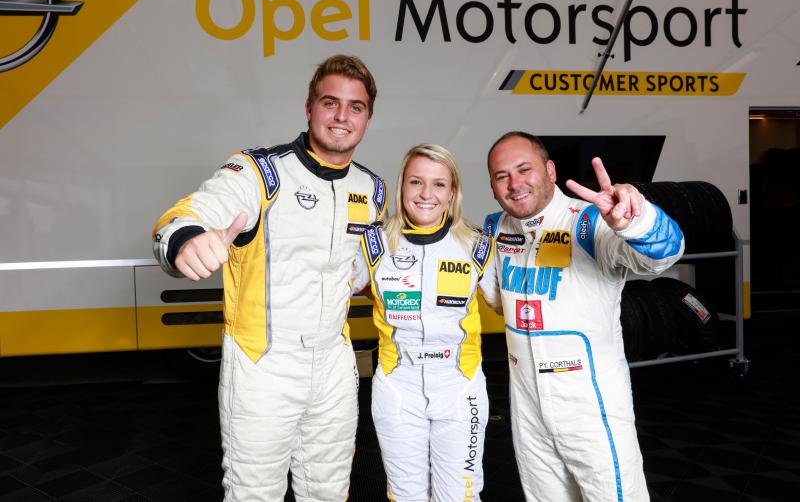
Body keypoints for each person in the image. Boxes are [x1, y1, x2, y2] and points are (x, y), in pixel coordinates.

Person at [152, 55, 387, 501]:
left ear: (367, 119)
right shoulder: (259, 172)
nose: (342, 116)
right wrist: (186, 240)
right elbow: (189, 214)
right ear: (309, 108)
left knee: (329, 491)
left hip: (335, 365)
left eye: (355, 107)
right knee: (254, 494)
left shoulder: (372, 190)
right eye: (330, 103)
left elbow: (361, 269)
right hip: (263, 366)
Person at [483, 131, 684, 502]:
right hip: (527, 408)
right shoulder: (495, 229)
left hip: (590, 408)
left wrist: (635, 222)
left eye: (524, 169)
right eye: (501, 176)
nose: (514, 183)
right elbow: (498, 301)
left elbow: (664, 255)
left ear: (550, 170)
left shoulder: (591, 220)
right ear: (493, 187)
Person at [352, 144, 499, 501]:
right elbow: (324, 292)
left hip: (459, 386)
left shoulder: (478, 245)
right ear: (402, 185)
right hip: (397, 386)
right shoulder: (374, 244)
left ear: (452, 192)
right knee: (406, 496)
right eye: (416, 182)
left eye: (439, 184)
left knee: (460, 497)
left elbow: (512, 306)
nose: (426, 194)